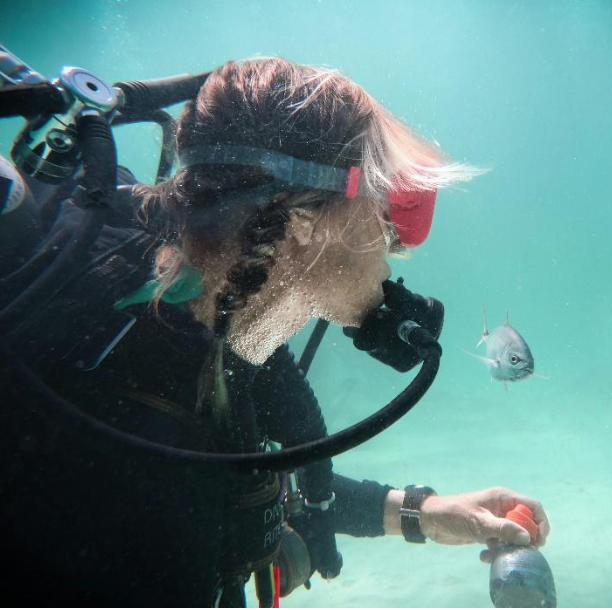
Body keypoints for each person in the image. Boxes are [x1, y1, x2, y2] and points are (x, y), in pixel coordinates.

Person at [0, 57, 549, 607]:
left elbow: (251, 486)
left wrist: (424, 514)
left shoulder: (195, 328)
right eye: (387, 220)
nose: (396, 252)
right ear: (306, 223)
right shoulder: (139, 436)